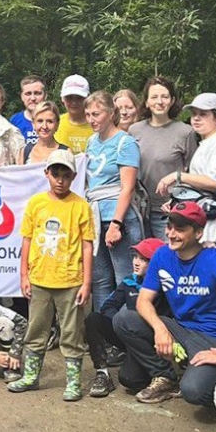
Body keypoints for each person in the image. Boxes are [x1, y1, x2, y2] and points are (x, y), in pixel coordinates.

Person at [113, 202, 216, 405]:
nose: (171, 234)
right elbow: (143, 300)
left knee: (195, 392)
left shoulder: (215, 259)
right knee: (124, 321)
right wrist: (160, 329)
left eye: (180, 229)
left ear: (198, 233)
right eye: (169, 227)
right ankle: (166, 377)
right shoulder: (162, 255)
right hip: (182, 331)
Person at [11, 149, 94, 400]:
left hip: (69, 280)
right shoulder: (36, 203)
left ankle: (73, 382)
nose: (60, 180)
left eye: (66, 175)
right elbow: (26, 240)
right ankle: (31, 375)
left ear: (73, 176)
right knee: (36, 329)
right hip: (39, 279)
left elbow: (87, 244)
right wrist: (24, 275)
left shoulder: (81, 206)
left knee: (71, 332)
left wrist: (86, 282)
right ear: (46, 173)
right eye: (55, 174)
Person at [83, 237, 164, 398]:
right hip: (128, 336)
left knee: (130, 380)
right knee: (93, 319)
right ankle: (102, 373)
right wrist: (121, 322)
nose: (136, 262)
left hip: (152, 341)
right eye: (135, 257)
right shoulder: (129, 282)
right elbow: (108, 306)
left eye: (143, 259)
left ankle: (158, 370)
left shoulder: (165, 286)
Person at [84, 91, 144, 311]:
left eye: (96, 114)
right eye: (88, 114)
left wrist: (117, 224)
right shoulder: (91, 141)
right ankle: (104, 331)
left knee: (124, 278)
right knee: (100, 279)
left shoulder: (125, 143)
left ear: (111, 113)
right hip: (96, 216)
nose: (92, 119)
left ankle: (126, 330)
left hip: (119, 218)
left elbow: (127, 187)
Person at [156, 92, 216, 248]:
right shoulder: (207, 141)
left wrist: (177, 176)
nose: (196, 118)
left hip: (214, 221)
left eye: (203, 114)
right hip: (204, 217)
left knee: (210, 266)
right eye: (194, 114)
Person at [129, 76, 197, 239]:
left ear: (172, 100)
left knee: (169, 261)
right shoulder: (134, 131)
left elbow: (193, 173)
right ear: (146, 102)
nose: (159, 101)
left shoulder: (185, 132)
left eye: (165, 97)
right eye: (154, 97)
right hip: (139, 210)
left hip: (168, 211)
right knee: (142, 262)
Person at [55, 74, 92, 154]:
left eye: (79, 97)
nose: (74, 102)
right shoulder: (55, 122)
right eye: (69, 97)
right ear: (62, 98)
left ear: (88, 98)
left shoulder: (97, 124)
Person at [9, 75, 46, 144]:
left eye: (37, 93)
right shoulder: (14, 121)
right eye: (28, 94)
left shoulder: (55, 121)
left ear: (45, 95)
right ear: (22, 97)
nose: (33, 98)